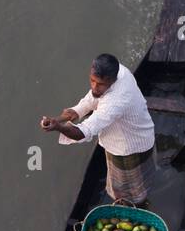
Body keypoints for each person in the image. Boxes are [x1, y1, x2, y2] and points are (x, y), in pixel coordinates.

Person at [40, 53, 156, 205]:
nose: (94, 86)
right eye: (92, 80)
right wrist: (57, 119)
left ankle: (136, 206)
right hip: (134, 136)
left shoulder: (116, 101)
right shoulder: (119, 70)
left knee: (128, 190)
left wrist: (58, 128)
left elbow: (83, 132)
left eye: (100, 84)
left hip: (129, 148)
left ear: (112, 81)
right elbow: (89, 100)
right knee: (127, 184)